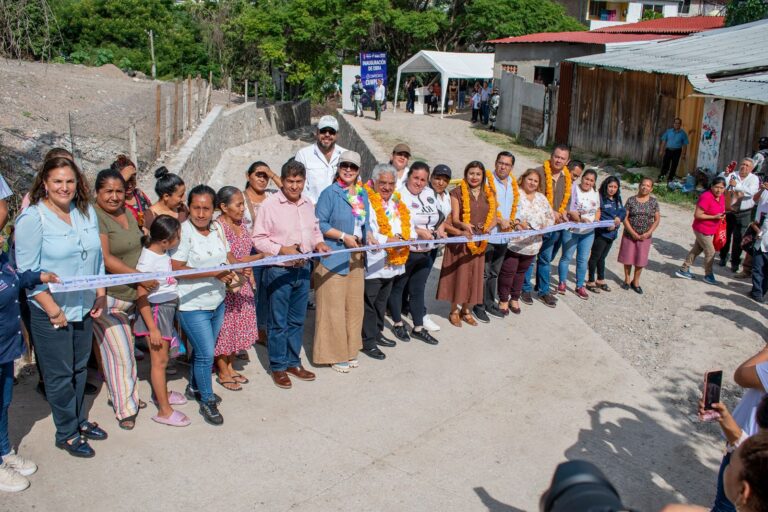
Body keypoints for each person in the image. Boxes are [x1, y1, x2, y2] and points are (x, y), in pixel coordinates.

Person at [15, 156, 107, 458]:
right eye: (57, 181)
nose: (64, 187)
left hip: (83, 305)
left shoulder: (86, 212)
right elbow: (27, 272)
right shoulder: (33, 218)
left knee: (79, 369)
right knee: (59, 374)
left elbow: (96, 259)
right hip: (51, 311)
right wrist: (52, 309)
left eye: (69, 181)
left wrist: (100, 293)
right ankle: (66, 433)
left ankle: (79, 420)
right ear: (45, 183)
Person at [252, 160, 329, 388]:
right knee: (278, 322)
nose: (294, 186)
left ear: (304, 181)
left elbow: (315, 230)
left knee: (297, 320)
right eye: (290, 181)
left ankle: (293, 362)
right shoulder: (270, 205)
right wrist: (282, 250)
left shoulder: (308, 203)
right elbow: (258, 239)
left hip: (303, 269)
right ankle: (278, 366)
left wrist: (319, 243)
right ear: (282, 181)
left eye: (299, 181)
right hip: (279, 271)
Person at [93, 169, 154, 430]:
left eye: (119, 191)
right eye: (108, 191)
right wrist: (140, 277)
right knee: (121, 354)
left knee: (122, 350)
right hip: (107, 298)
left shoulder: (127, 212)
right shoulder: (95, 217)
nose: (114, 196)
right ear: (97, 192)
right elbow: (106, 259)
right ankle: (125, 409)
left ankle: (126, 394)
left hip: (133, 296)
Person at [171, 185, 237, 426]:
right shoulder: (183, 232)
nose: (200, 214)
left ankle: (194, 387)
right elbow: (176, 268)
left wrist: (237, 269)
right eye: (196, 208)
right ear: (189, 207)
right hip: (193, 305)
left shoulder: (218, 228)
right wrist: (213, 273)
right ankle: (208, 401)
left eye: (206, 208)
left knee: (202, 351)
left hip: (217, 301)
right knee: (207, 355)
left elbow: (227, 255)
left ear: (214, 209)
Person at [0, 249, 56, 491]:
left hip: (5, 348)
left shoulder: (2, 258)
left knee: (3, 403)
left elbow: (15, 279)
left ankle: (4, 451)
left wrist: (38, 277)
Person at [313, 151, 372, 372]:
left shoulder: (362, 194)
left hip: (356, 257)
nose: (348, 170)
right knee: (333, 308)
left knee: (354, 307)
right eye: (344, 165)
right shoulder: (330, 193)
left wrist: (369, 235)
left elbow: (365, 222)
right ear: (338, 168)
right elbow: (319, 224)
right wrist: (343, 236)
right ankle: (333, 354)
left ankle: (350, 349)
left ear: (358, 171)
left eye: (353, 167)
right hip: (333, 255)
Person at [133, 214, 190, 427]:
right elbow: (141, 296)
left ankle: (162, 394)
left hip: (166, 309)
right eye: (178, 236)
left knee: (164, 359)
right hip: (156, 313)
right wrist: (152, 329)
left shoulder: (162, 252)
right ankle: (164, 411)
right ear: (165, 241)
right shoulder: (148, 261)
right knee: (159, 362)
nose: (179, 240)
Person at [361, 164, 414, 360]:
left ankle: (377, 333)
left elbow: (406, 223)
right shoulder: (366, 200)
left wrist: (408, 236)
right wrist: (389, 240)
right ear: (374, 182)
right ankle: (367, 342)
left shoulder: (396, 201)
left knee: (382, 301)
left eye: (391, 183)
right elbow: (367, 230)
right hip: (374, 262)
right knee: (369, 302)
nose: (387, 187)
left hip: (393, 261)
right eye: (382, 183)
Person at [213, 187, 262, 391]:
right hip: (228, 286)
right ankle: (222, 370)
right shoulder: (218, 228)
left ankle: (231, 366)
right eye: (238, 204)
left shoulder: (242, 224)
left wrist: (252, 263)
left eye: (243, 204)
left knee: (237, 328)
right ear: (224, 207)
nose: (242, 208)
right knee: (225, 329)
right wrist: (258, 257)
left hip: (243, 284)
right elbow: (226, 256)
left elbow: (246, 253)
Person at [389, 162, 444, 343]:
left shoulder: (429, 193)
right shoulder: (398, 195)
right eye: (416, 178)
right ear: (408, 177)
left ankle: (418, 328)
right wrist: (418, 232)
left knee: (418, 289)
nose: (419, 183)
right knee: (398, 288)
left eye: (423, 179)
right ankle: (398, 324)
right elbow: (396, 224)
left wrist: (437, 231)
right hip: (407, 251)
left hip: (426, 251)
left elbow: (438, 217)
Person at [437, 161, 496, 327]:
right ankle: (454, 311)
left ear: (483, 176)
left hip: (479, 242)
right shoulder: (457, 192)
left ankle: (466, 310)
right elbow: (455, 219)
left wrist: (488, 228)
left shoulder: (489, 193)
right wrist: (464, 226)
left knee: (473, 277)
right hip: (461, 240)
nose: (474, 177)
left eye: (478, 174)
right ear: (465, 174)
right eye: (471, 173)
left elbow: (494, 217)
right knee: (459, 276)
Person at [521, 145, 573, 308]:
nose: (558, 160)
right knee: (530, 258)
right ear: (551, 156)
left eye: (562, 158)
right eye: (556, 156)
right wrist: (550, 213)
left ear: (567, 161)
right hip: (536, 225)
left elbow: (567, 200)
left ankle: (543, 291)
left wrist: (564, 212)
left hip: (554, 227)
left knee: (545, 259)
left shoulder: (567, 177)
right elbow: (528, 194)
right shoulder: (539, 173)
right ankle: (525, 289)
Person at [498, 169, 554, 315]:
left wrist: (544, 227)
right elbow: (505, 214)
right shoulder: (514, 193)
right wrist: (517, 223)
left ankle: (514, 298)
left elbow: (550, 217)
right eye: (530, 179)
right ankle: (503, 299)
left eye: (535, 181)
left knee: (521, 273)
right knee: (508, 272)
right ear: (523, 179)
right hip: (514, 243)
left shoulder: (541, 198)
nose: (532, 183)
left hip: (532, 245)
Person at [242, 160, 280, 343]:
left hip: (269, 249)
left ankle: (261, 328)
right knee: (247, 290)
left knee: (265, 290)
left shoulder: (272, 196)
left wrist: (272, 174)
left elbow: (290, 191)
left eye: (265, 176)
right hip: (247, 249)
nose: (262, 179)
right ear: (248, 176)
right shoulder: (239, 198)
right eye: (258, 174)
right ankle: (244, 330)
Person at [476, 151, 516, 322]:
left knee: (494, 273)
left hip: (504, 237)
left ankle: (490, 303)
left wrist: (514, 221)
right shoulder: (486, 181)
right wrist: (498, 219)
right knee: (483, 273)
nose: (503, 167)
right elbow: (482, 207)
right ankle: (478, 306)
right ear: (495, 163)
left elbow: (515, 207)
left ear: (511, 167)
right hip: (489, 235)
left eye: (507, 164)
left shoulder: (513, 184)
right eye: (501, 163)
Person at [557, 169, 601, 300]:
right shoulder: (573, 189)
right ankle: (562, 283)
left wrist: (596, 219)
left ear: (594, 182)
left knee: (582, 260)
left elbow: (597, 210)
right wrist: (579, 218)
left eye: (591, 181)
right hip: (572, 230)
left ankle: (580, 286)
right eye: (586, 179)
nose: (588, 182)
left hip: (588, 233)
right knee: (566, 257)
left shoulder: (595, 193)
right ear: (582, 178)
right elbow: (567, 209)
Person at [675, 176, 727, 284]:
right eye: (716, 187)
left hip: (711, 229)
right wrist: (714, 217)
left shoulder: (721, 197)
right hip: (702, 229)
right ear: (711, 186)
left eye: (721, 188)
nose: (719, 190)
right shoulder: (706, 197)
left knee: (697, 249)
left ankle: (684, 269)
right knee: (711, 252)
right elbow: (697, 215)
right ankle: (708, 275)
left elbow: (721, 209)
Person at [618, 177, 660, 294]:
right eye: (643, 185)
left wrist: (648, 233)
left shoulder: (653, 202)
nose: (645, 187)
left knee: (640, 259)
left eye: (648, 186)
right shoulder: (631, 200)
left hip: (645, 236)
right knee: (628, 258)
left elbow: (657, 219)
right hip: (629, 234)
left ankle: (635, 281)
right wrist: (632, 232)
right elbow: (624, 217)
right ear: (639, 186)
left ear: (651, 189)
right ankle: (627, 279)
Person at [294, 115, 348, 204]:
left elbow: (355, 183)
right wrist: (314, 205)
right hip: (311, 208)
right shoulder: (303, 155)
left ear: (337, 135)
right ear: (317, 132)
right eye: (323, 131)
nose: (327, 134)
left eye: (331, 132)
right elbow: (298, 184)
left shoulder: (346, 155)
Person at [586, 176, 626, 293]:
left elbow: (622, 211)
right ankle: (590, 281)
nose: (612, 189)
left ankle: (600, 279)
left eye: (615, 187)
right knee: (595, 257)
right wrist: (606, 226)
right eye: (610, 186)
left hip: (612, 234)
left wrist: (619, 218)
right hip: (601, 234)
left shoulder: (617, 198)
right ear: (605, 186)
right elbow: (597, 216)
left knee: (602, 257)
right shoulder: (600, 198)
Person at [720, 158, 759, 273]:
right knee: (726, 235)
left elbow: (751, 192)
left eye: (747, 165)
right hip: (730, 210)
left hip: (744, 212)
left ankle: (735, 262)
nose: (744, 167)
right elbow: (722, 184)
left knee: (739, 238)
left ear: (751, 168)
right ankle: (723, 257)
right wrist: (726, 174)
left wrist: (737, 185)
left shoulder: (754, 179)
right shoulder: (733, 174)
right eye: (743, 164)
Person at [110, 155, 152, 230]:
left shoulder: (139, 194)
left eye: (132, 180)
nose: (129, 185)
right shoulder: (114, 202)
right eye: (125, 181)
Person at [658, 118, 689, 182]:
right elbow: (664, 141)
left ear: (680, 124)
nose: (677, 124)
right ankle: (661, 177)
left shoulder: (683, 133)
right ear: (673, 124)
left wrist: (683, 154)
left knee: (674, 165)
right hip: (668, 150)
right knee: (665, 164)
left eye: (678, 123)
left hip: (677, 151)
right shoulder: (668, 131)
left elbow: (685, 144)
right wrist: (661, 150)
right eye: (675, 123)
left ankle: (670, 179)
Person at [749, 212, 768, 303]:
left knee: (766, 273)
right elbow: (753, 223)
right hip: (760, 245)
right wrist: (758, 231)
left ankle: (762, 292)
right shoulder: (764, 215)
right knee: (757, 270)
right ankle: (756, 293)